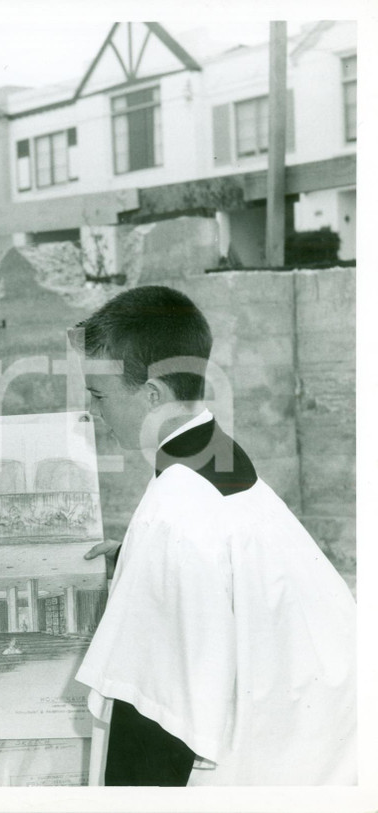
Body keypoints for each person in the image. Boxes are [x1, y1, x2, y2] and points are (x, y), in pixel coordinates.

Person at [71, 285, 356, 786]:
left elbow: (153, 725)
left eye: (98, 396)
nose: (93, 413)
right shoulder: (214, 456)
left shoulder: (173, 517)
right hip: (330, 751)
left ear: (153, 395)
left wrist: (154, 566)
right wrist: (137, 562)